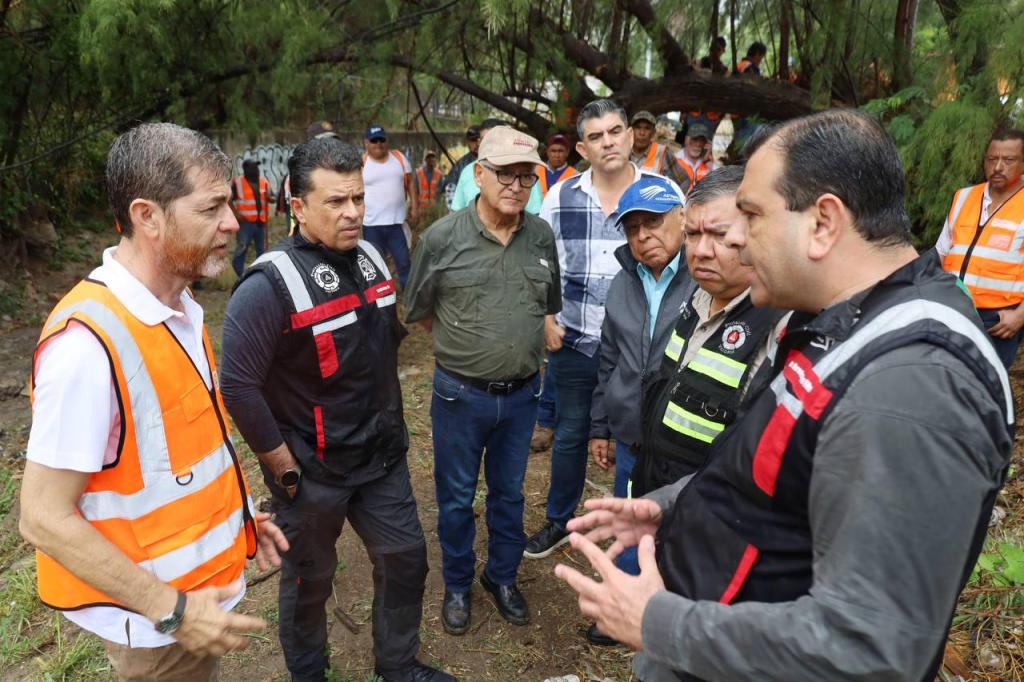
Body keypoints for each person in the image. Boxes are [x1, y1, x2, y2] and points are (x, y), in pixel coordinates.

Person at [555, 109, 1013, 682]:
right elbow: (780, 465)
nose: (736, 240)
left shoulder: (908, 388)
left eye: (750, 214)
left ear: (823, 223)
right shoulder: (840, 321)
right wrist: (670, 507)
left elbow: (867, 651)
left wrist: (658, 622)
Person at [19, 122, 289, 681]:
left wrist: (238, 519)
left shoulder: (179, 310)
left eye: (230, 204)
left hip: (194, 604)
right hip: (156, 630)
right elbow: (42, 518)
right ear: (148, 217)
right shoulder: (87, 348)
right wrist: (174, 613)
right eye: (211, 207)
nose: (232, 223)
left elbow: (178, 454)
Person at [221, 137, 453, 682]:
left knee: (405, 560)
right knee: (309, 582)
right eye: (335, 202)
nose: (352, 213)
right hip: (312, 474)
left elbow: (381, 346)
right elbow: (238, 386)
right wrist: (282, 465)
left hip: (381, 461)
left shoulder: (372, 258)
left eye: (358, 199)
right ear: (297, 206)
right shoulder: (267, 285)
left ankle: (397, 666)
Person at [404, 126, 561, 635]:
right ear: (479, 174)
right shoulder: (442, 238)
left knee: (509, 495)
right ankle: (456, 583)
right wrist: (471, 345)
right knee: (455, 497)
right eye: (505, 174)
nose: (516, 185)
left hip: (521, 398)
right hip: (460, 397)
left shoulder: (540, 236)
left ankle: (502, 576)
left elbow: (545, 308)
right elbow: (422, 311)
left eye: (526, 175)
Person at [523, 98, 684, 561]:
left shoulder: (661, 191)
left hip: (645, 344)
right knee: (572, 434)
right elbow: (541, 261)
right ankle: (560, 520)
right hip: (575, 337)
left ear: (631, 136)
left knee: (643, 436)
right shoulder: (562, 196)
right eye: (596, 136)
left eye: (615, 131)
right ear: (581, 147)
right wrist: (547, 318)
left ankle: (640, 533)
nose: (608, 142)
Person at [631, 165, 787, 498]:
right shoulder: (698, 295)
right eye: (693, 234)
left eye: (718, 234)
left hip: (709, 515)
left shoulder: (777, 323)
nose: (700, 251)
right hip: (657, 497)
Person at [584, 174, 693, 646]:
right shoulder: (624, 284)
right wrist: (601, 426)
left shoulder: (707, 274)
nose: (643, 236)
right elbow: (608, 359)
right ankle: (626, 606)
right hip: (631, 431)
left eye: (653, 222)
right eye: (633, 228)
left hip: (686, 435)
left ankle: (681, 607)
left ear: (683, 218)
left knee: (687, 520)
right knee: (631, 518)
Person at [936, 128, 1024, 368]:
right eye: (992, 159)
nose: (998, 167)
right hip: (953, 308)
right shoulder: (963, 197)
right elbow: (941, 252)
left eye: (1008, 160)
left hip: (997, 319)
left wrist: (1019, 316)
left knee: (986, 389)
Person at [362, 124, 418, 288]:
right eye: (374, 141)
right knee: (375, 265)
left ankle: (409, 297)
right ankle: (380, 298)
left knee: (404, 262)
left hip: (396, 223)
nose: (378, 144)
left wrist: (415, 206)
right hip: (371, 225)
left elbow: (411, 185)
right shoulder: (362, 162)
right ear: (367, 142)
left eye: (381, 139)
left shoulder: (399, 158)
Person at [450, 118, 544, 214]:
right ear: (478, 173)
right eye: (485, 139)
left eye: (506, 174)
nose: (516, 187)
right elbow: (455, 210)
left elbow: (536, 212)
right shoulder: (467, 171)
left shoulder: (525, 171)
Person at [279, 121, 341, 233]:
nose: (331, 146)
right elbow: (294, 217)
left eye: (333, 141)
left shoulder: (341, 172)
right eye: (324, 142)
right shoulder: (298, 175)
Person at [231, 158, 271, 275]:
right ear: (246, 169)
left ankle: (260, 274)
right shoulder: (238, 183)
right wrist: (235, 213)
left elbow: (270, 196)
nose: (256, 169)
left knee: (262, 251)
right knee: (241, 249)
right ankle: (240, 274)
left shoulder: (263, 181)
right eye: (253, 167)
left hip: (261, 223)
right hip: (246, 223)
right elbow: (228, 199)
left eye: (256, 167)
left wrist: (270, 198)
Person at [666, 123, 715, 195]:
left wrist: (708, 162)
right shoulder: (674, 160)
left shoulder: (710, 164)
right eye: (694, 139)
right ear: (686, 139)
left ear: (706, 144)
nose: (698, 144)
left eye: (702, 141)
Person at [443, 125, 480, 206]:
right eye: (473, 140)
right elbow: (450, 188)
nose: (477, 143)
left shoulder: (494, 160)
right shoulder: (461, 165)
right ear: (467, 142)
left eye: (480, 139)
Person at [537, 133, 579, 197]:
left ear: (567, 152)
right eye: (553, 151)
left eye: (560, 151)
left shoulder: (575, 176)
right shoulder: (535, 171)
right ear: (547, 151)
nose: (557, 155)